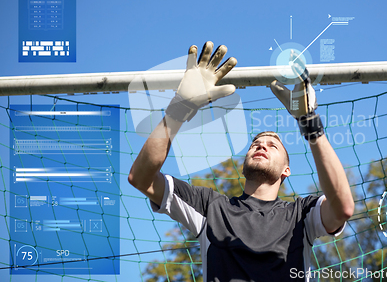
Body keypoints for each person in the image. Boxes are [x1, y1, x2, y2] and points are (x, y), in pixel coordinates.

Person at [128, 41, 354, 282]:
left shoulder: (301, 214)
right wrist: (178, 109)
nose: (261, 145)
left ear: (286, 170)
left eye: (272, 145)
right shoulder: (209, 207)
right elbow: (141, 178)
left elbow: (343, 207)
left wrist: (309, 122)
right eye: (255, 143)